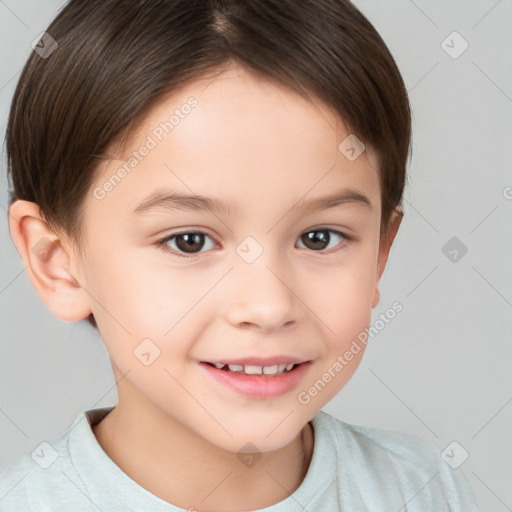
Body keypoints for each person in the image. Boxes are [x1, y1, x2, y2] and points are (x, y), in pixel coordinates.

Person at [0, 1, 479, 510]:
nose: (269, 306)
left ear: (381, 251)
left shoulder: (425, 490)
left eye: (319, 238)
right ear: (57, 262)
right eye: (189, 240)